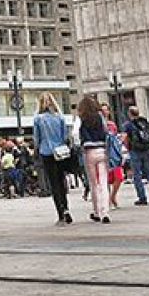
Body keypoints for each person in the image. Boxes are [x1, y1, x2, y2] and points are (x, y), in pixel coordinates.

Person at [34, 93, 73, 224]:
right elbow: (65, 137)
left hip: (46, 152)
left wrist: (36, 150)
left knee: (53, 183)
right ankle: (66, 208)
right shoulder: (60, 117)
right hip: (60, 152)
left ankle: (60, 212)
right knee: (61, 181)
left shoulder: (38, 119)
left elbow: (37, 138)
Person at [77, 96, 111, 224]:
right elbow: (106, 131)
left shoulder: (82, 118)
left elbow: (76, 134)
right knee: (103, 182)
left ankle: (97, 211)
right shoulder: (99, 116)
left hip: (89, 150)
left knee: (94, 183)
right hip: (101, 149)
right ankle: (105, 212)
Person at [121, 106, 149, 205]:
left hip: (135, 150)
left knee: (137, 175)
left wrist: (127, 148)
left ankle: (142, 197)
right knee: (148, 172)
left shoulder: (128, 125)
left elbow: (125, 138)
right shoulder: (145, 123)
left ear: (129, 113)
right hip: (147, 149)